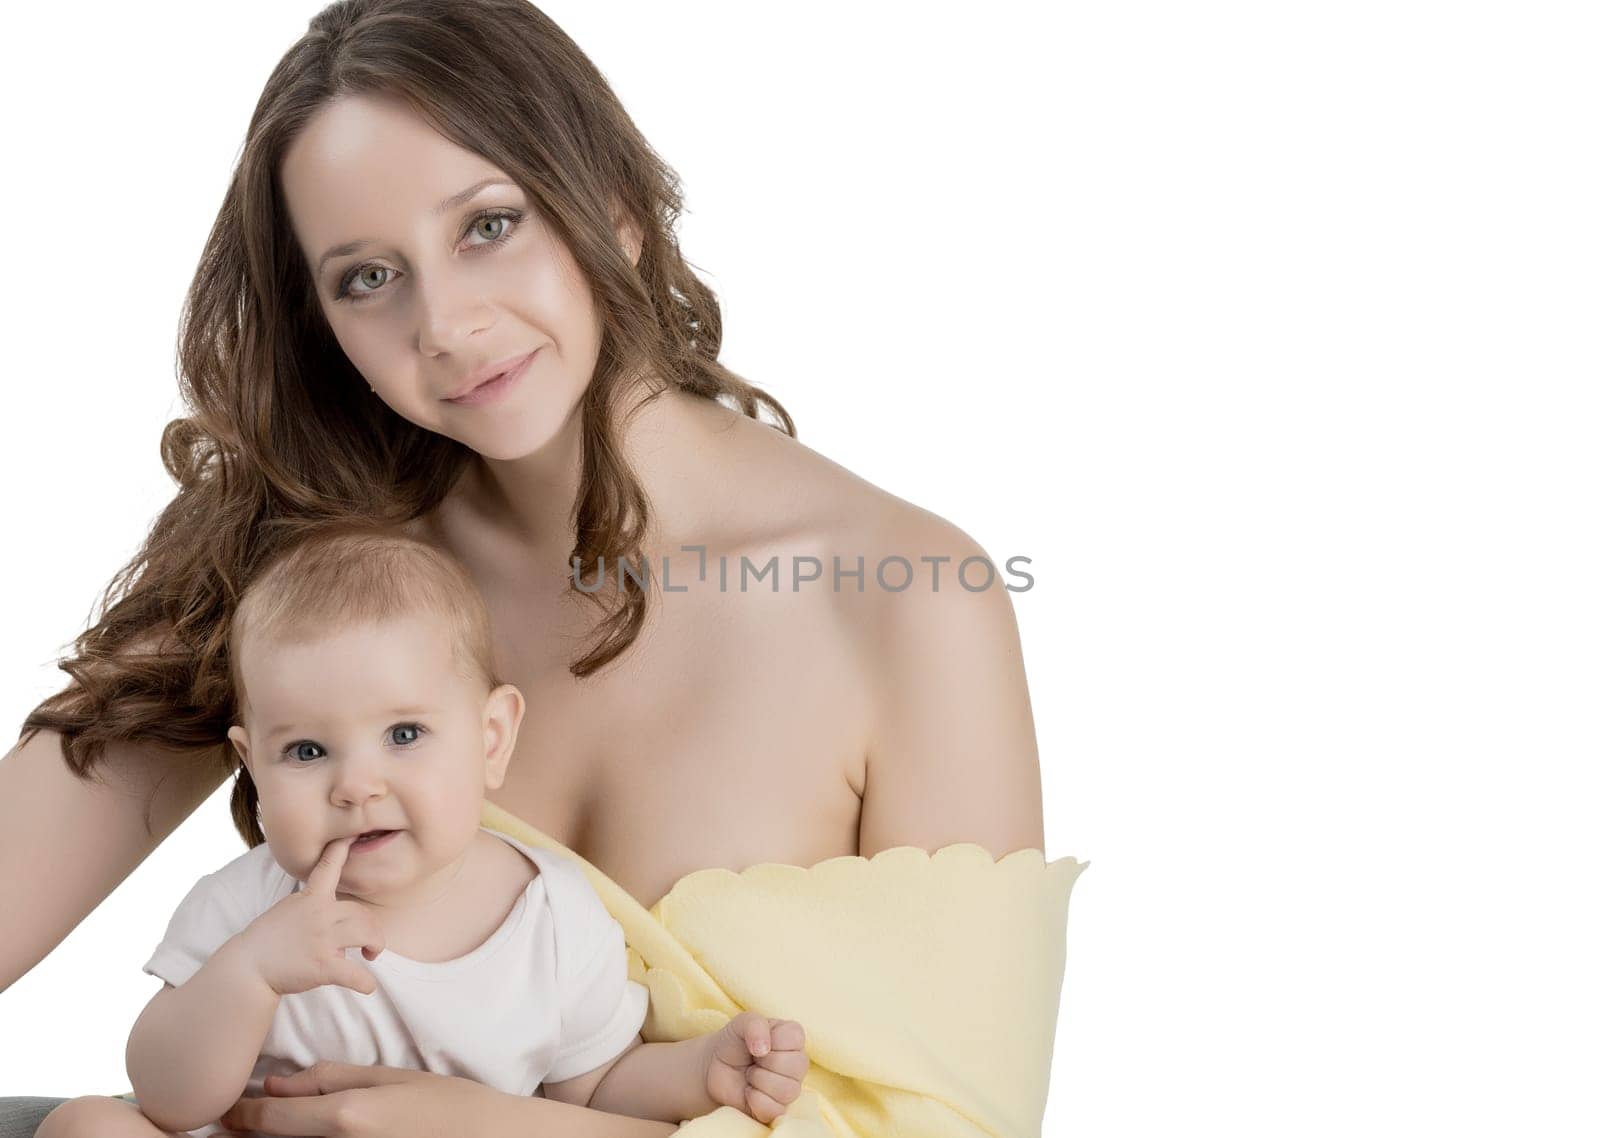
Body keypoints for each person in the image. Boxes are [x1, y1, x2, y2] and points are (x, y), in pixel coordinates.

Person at [1, 1, 1075, 1135]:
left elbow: (959, 1124)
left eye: (488, 225)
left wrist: (462, 1123)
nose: (447, 325)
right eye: (366, 278)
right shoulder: (304, 558)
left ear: (615, 210)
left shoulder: (906, 597)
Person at [33, 526, 808, 1138]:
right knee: (86, 1124)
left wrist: (704, 1072)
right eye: (307, 751)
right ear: (253, 766)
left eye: (404, 735)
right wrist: (249, 975)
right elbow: (167, 1099)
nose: (357, 785)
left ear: (492, 738)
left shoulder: (553, 917)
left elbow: (595, 1091)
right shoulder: (247, 908)